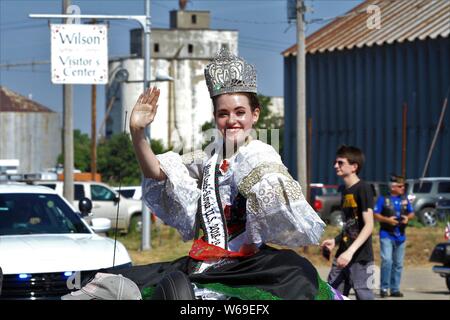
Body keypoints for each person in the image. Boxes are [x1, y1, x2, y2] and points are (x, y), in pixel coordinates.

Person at [94, 47, 344, 300]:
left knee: (297, 281)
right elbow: (158, 171)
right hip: (206, 262)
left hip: (249, 264)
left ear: (254, 115)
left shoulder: (259, 153)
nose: (232, 120)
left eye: (240, 112)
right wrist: (137, 133)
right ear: (215, 117)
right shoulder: (208, 159)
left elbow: (274, 200)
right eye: (223, 113)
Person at [320, 145, 375, 300]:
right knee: (331, 294)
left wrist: (350, 252)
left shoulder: (363, 188)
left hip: (360, 257)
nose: (335, 166)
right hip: (342, 255)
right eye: (335, 162)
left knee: (364, 295)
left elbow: (369, 225)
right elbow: (351, 225)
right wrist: (335, 241)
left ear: (354, 167)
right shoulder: (344, 190)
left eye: (340, 163)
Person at [373, 174, 414, 298]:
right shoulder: (383, 199)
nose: (403, 188)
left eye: (403, 186)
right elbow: (375, 214)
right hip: (386, 234)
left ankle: (395, 288)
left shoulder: (404, 199)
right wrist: (387, 220)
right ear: (393, 187)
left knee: (398, 263)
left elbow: (411, 212)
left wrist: (407, 217)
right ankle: (384, 288)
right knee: (387, 261)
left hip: (400, 236)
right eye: (400, 186)